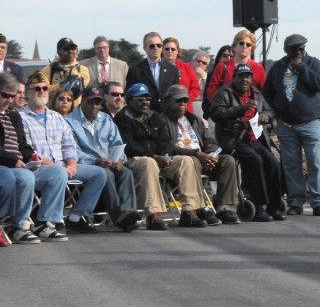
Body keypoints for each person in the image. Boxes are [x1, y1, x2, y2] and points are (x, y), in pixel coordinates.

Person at [114, 83, 213, 229]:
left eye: (147, 99)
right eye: (139, 99)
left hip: (160, 158)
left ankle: (190, 211)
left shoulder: (155, 117)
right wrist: (154, 156)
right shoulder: (121, 119)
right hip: (134, 160)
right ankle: (154, 215)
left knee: (186, 160)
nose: (145, 102)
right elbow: (129, 146)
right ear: (129, 100)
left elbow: (166, 141)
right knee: (148, 162)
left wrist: (166, 156)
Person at [21, 72, 108, 234]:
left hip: (64, 166)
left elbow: (69, 146)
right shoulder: (21, 118)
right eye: (36, 88)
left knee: (100, 174)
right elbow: (29, 152)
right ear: (26, 93)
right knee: (58, 173)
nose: (41, 91)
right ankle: (46, 221)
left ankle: (76, 217)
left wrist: (72, 165)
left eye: (44, 88)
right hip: (37, 168)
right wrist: (59, 168)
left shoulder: (57, 118)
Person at [263, 34, 320, 216]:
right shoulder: (278, 67)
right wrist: (277, 109)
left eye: (302, 47)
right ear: (286, 50)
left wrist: (301, 67)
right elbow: (267, 92)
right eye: (295, 48)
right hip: (287, 124)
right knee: (291, 164)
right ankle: (296, 201)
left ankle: (319, 202)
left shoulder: (313, 63)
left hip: (311, 121)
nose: (300, 51)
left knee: (315, 161)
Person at [211, 64, 284, 222]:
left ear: (252, 78)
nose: (245, 80)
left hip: (255, 138)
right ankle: (258, 207)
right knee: (254, 160)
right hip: (234, 139)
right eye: (241, 76)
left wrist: (265, 114)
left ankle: (274, 207)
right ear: (234, 78)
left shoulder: (256, 93)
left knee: (274, 164)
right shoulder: (224, 93)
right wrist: (240, 110)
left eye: (248, 76)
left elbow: (270, 110)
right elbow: (216, 113)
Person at [0, 73, 68, 243]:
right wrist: (13, 160)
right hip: (6, 165)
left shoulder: (14, 115)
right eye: (5, 95)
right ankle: (18, 226)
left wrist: (32, 156)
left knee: (57, 173)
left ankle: (45, 222)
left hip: (20, 165)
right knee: (25, 176)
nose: (8, 100)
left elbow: (23, 144)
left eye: (12, 96)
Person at [66, 86, 141, 232]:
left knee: (126, 172)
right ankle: (118, 216)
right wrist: (95, 160)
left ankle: (127, 212)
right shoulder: (70, 121)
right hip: (88, 164)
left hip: (109, 161)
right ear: (82, 101)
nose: (95, 106)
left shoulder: (106, 119)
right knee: (105, 173)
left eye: (98, 103)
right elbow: (73, 151)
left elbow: (118, 144)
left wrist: (120, 159)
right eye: (91, 102)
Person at [163, 84, 240, 224]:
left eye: (185, 100)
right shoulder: (162, 120)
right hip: (180, 162)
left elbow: (209, 139)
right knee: (192, 161)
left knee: (228, 160)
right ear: (167, 101)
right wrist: (197, 154)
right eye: (178, 100)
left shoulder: (194, 119)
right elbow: (167, 147)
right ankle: (199, 207)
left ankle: (223, 207)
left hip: (202, 157)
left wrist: (211, 153)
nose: (182, 103)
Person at [204, 30, 266, 108]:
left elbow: (265, 92)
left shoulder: (258, 68)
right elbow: (211, 91)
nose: (245, 46)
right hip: (226, 113)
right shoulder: (222, 66)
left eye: (248, 44)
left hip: (250, 113)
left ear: (252, 49)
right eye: (241, 43)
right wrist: (219, 108)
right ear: (234, 46)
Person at [126, 32, 179, 112]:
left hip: (166, 116)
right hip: (144, 115)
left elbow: (175, 95)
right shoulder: (135, 70)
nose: (156, 48)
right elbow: (130, 96)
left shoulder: (172, 70)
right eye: (152, 46)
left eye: (159, 45)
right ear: (145, 48)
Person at [40, 38, 90, 107]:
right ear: (58, 52)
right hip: (53, 113)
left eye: (73, 48)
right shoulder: (48, 70)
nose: (70, 51)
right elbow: (43, 91)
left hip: (74, 114)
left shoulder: (82, 69)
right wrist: (60, 85)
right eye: (66, 49)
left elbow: (77, 83)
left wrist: (64, 69)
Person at [161, 37, 200, 114]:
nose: (170, 51)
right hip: (163, 111)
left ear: (177, 51)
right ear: (162, 50)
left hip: (184, 110)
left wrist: (184, 100)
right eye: (167, 49)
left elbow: (196, 88)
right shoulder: (156, 68)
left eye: (173, 49)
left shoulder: (187, 67)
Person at [190, 50, 211, 124]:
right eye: (198, 61)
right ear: (192, 62)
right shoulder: (186, 74)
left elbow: (209, 93)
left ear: (206, 66)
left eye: (204, 63)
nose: (200, 64)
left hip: (202, 110)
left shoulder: (209, 77)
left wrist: (203, 77)